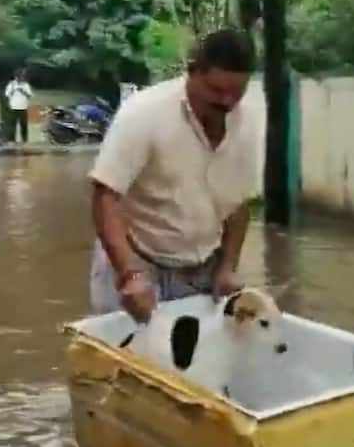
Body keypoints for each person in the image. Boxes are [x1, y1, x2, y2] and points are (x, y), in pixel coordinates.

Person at [89, 29, 261, 324]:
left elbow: (238, 205)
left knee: (196, 366)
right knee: (120, 364)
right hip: (136, 261)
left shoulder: (247, 123)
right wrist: (129, 274)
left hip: (200, 270)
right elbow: (105, 196)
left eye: (236, 93)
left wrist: (228, 267)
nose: (227, 103)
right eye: (216, 91)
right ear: (191, 73)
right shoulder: (144, 113)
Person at [5, 69, 32, 143]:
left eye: (22, 77)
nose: (20, 78)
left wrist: (22, 91)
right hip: (14, 107)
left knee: (24, 125)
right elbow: (7, 95)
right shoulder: (11, 84)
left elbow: (29, 95)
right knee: (12, 124)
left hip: (23, 107)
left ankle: (24, 139)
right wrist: (14, 89)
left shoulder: (26, 85)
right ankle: (11, 140)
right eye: (18, 77)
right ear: (16, 77)